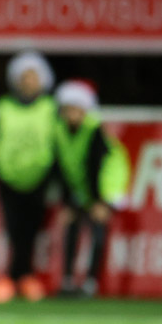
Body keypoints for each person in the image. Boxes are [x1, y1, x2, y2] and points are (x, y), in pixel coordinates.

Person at [0, 49, 57, 304]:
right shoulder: (4, 106)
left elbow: (55, 143)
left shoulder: (50, 108)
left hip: (40, 180)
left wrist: (53, 178)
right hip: (8, 179)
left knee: (31, 231)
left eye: (33, 76)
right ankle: (15, 278)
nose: (28, 81)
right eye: (24, 76)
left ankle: (20, 278)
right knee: (13, 229)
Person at [52, 79, 131, 298]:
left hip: (104, 187)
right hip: (81, 187)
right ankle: (67, 280)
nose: (72, 114)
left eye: (77, 109)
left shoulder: (94, 130)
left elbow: (96, 167)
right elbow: (61, 168)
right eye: (68, 109)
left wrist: (100, 202)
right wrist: (67, 202)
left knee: (97, 230)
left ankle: (90, 282)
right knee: (72, 228)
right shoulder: (59, 130)